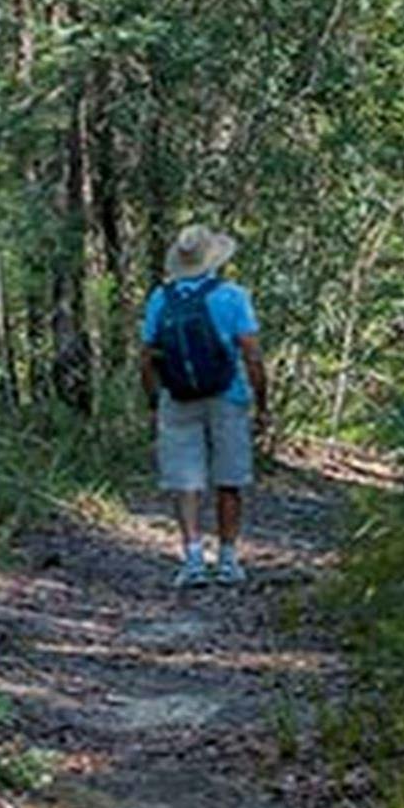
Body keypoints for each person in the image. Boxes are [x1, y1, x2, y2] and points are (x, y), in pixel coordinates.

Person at [140, 224, 269, 587]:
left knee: (186, 481)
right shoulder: (232, 296)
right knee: (229, 478)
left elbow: (147, 356)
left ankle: (193, 558)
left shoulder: (160, 298)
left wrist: (154, 400)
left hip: (177, 398)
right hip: (228, 395)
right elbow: (252, 353)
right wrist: (262, 402)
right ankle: (228, 560)